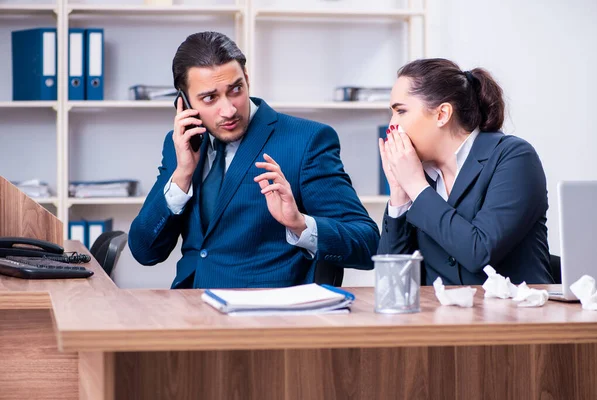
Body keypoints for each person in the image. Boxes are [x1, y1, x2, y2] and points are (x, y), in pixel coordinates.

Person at [129, 31, 379, 289]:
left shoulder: (306, 141)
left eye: (236, 89)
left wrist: (300, 224)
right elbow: (145, 252)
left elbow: (367, 242)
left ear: (247, 79)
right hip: (191, 309)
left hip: (265, 317)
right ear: (183, 102)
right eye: (209, 98)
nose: (228, 110)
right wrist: (182, 175)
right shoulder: (180, 145)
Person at [378, 58, 553, 285]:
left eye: (401, 111)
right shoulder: (418, 174)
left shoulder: (513, 157)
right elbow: (392, 284)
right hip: (441, 318)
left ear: (442, 114)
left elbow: (478, 252)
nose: (393, 125)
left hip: (513, 316)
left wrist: (415, 186)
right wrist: (399, 193)